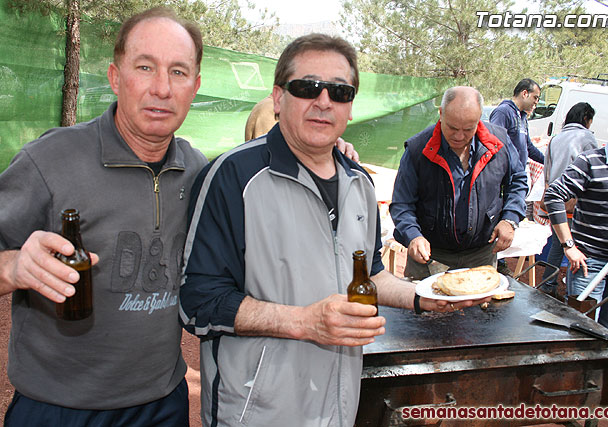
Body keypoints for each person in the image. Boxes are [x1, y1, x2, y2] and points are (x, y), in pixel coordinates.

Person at [179, 34, 489, 426]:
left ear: (350, 107)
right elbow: (197, 302)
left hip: (338, 408)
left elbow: (369, 276)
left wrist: (423, 296)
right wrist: (304, 322)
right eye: (308, 87)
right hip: (256, 413)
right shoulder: (233, 177)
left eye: (340, 92)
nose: (324, 101)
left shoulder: (359, 183)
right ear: (278, 98)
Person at [0, 8, 207, 425]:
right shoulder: (48, 161)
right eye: (145, 67)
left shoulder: (197, 169)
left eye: (179, 72)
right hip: (58, 408)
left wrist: (330, 153)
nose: (162, 88)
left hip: (162, 403)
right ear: (115, 77)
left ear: (196, 87)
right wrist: (14, 268)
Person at [390, 86, 527, 280]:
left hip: (482, 256)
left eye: (468, 129)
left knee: (482, 310)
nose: (459, 136)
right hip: (429, 257)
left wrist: (510, 218)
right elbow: (402, 203)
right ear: (441, 113)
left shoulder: (499, 142)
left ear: (479, 118)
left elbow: (518, 181)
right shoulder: (418, 149)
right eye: (452, 127)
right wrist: (413, 235)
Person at [544, 105, 608, 330]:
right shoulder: (590, 161)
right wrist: (568, 246)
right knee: (582, 329)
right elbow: (554, 195)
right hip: (590, 263)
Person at [538, 102, 598, 296]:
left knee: (559, 243)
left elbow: (547, 171)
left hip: (555, 200)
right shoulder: (587, 137)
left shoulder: (556, 138)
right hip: (573, 201)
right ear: (586, 119)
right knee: (576, 246)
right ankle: (573, 294)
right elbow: (593, 169)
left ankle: (548, 285)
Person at [490, 78, 544, 275]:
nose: (536, 103)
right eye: (535, 98)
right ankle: (495, 260)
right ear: (524, 93)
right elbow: (494, 140)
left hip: (517, 178)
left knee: (511, 218)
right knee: (500, 218)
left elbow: (528, 147)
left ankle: (501, 257)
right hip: (503, 178)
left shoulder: (522, 117)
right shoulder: (504, 112)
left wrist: (547, 160)